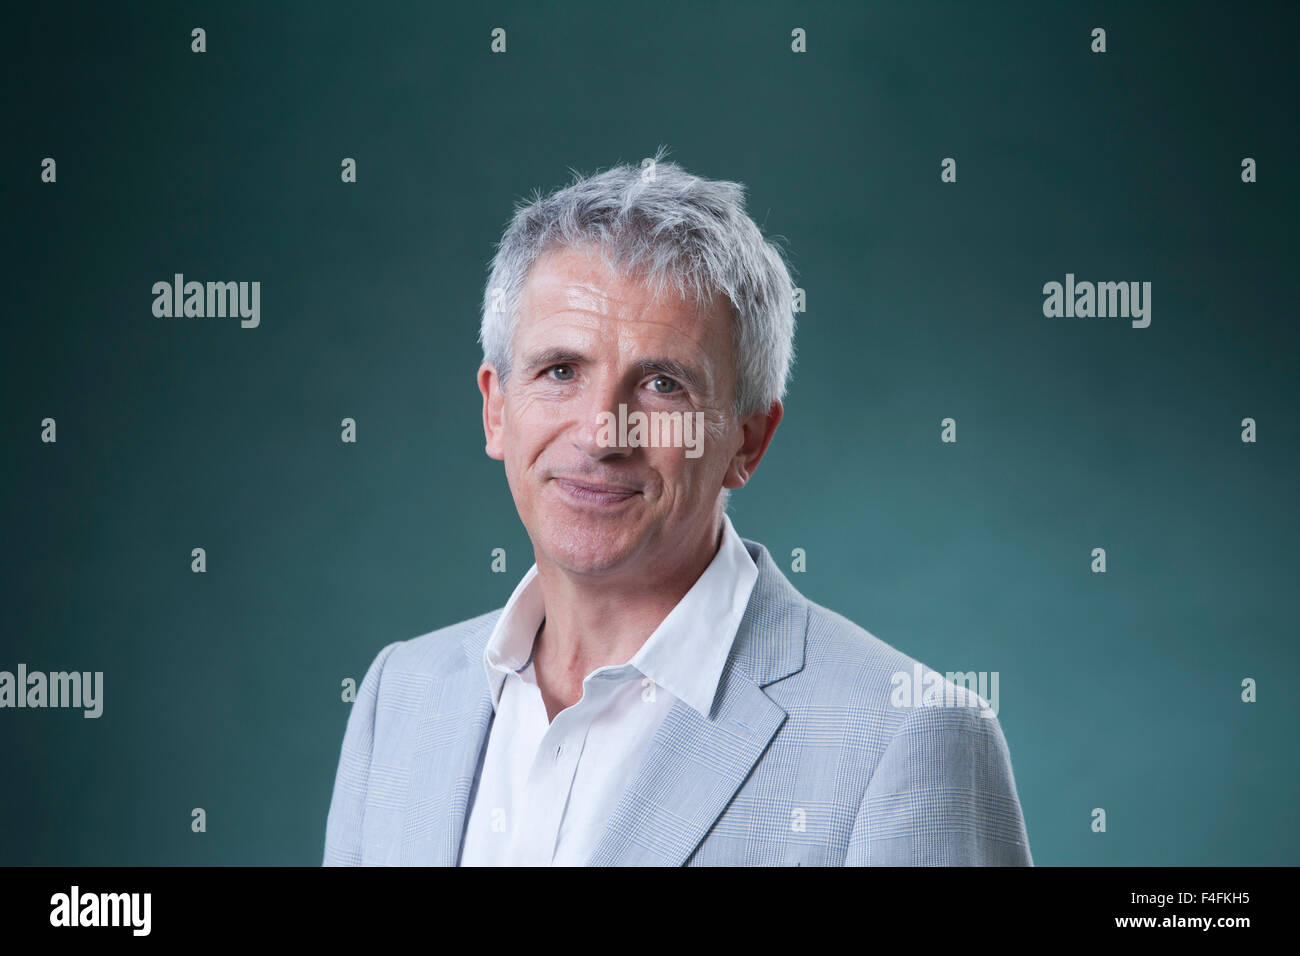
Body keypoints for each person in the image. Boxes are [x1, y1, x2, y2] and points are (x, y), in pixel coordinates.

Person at [323, 150, 1032, 866]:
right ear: (496, 409)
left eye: (662, 384)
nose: (603, 433)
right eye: (560, 371)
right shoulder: (400, 698)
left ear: (748, 441)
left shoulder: (908, 739)